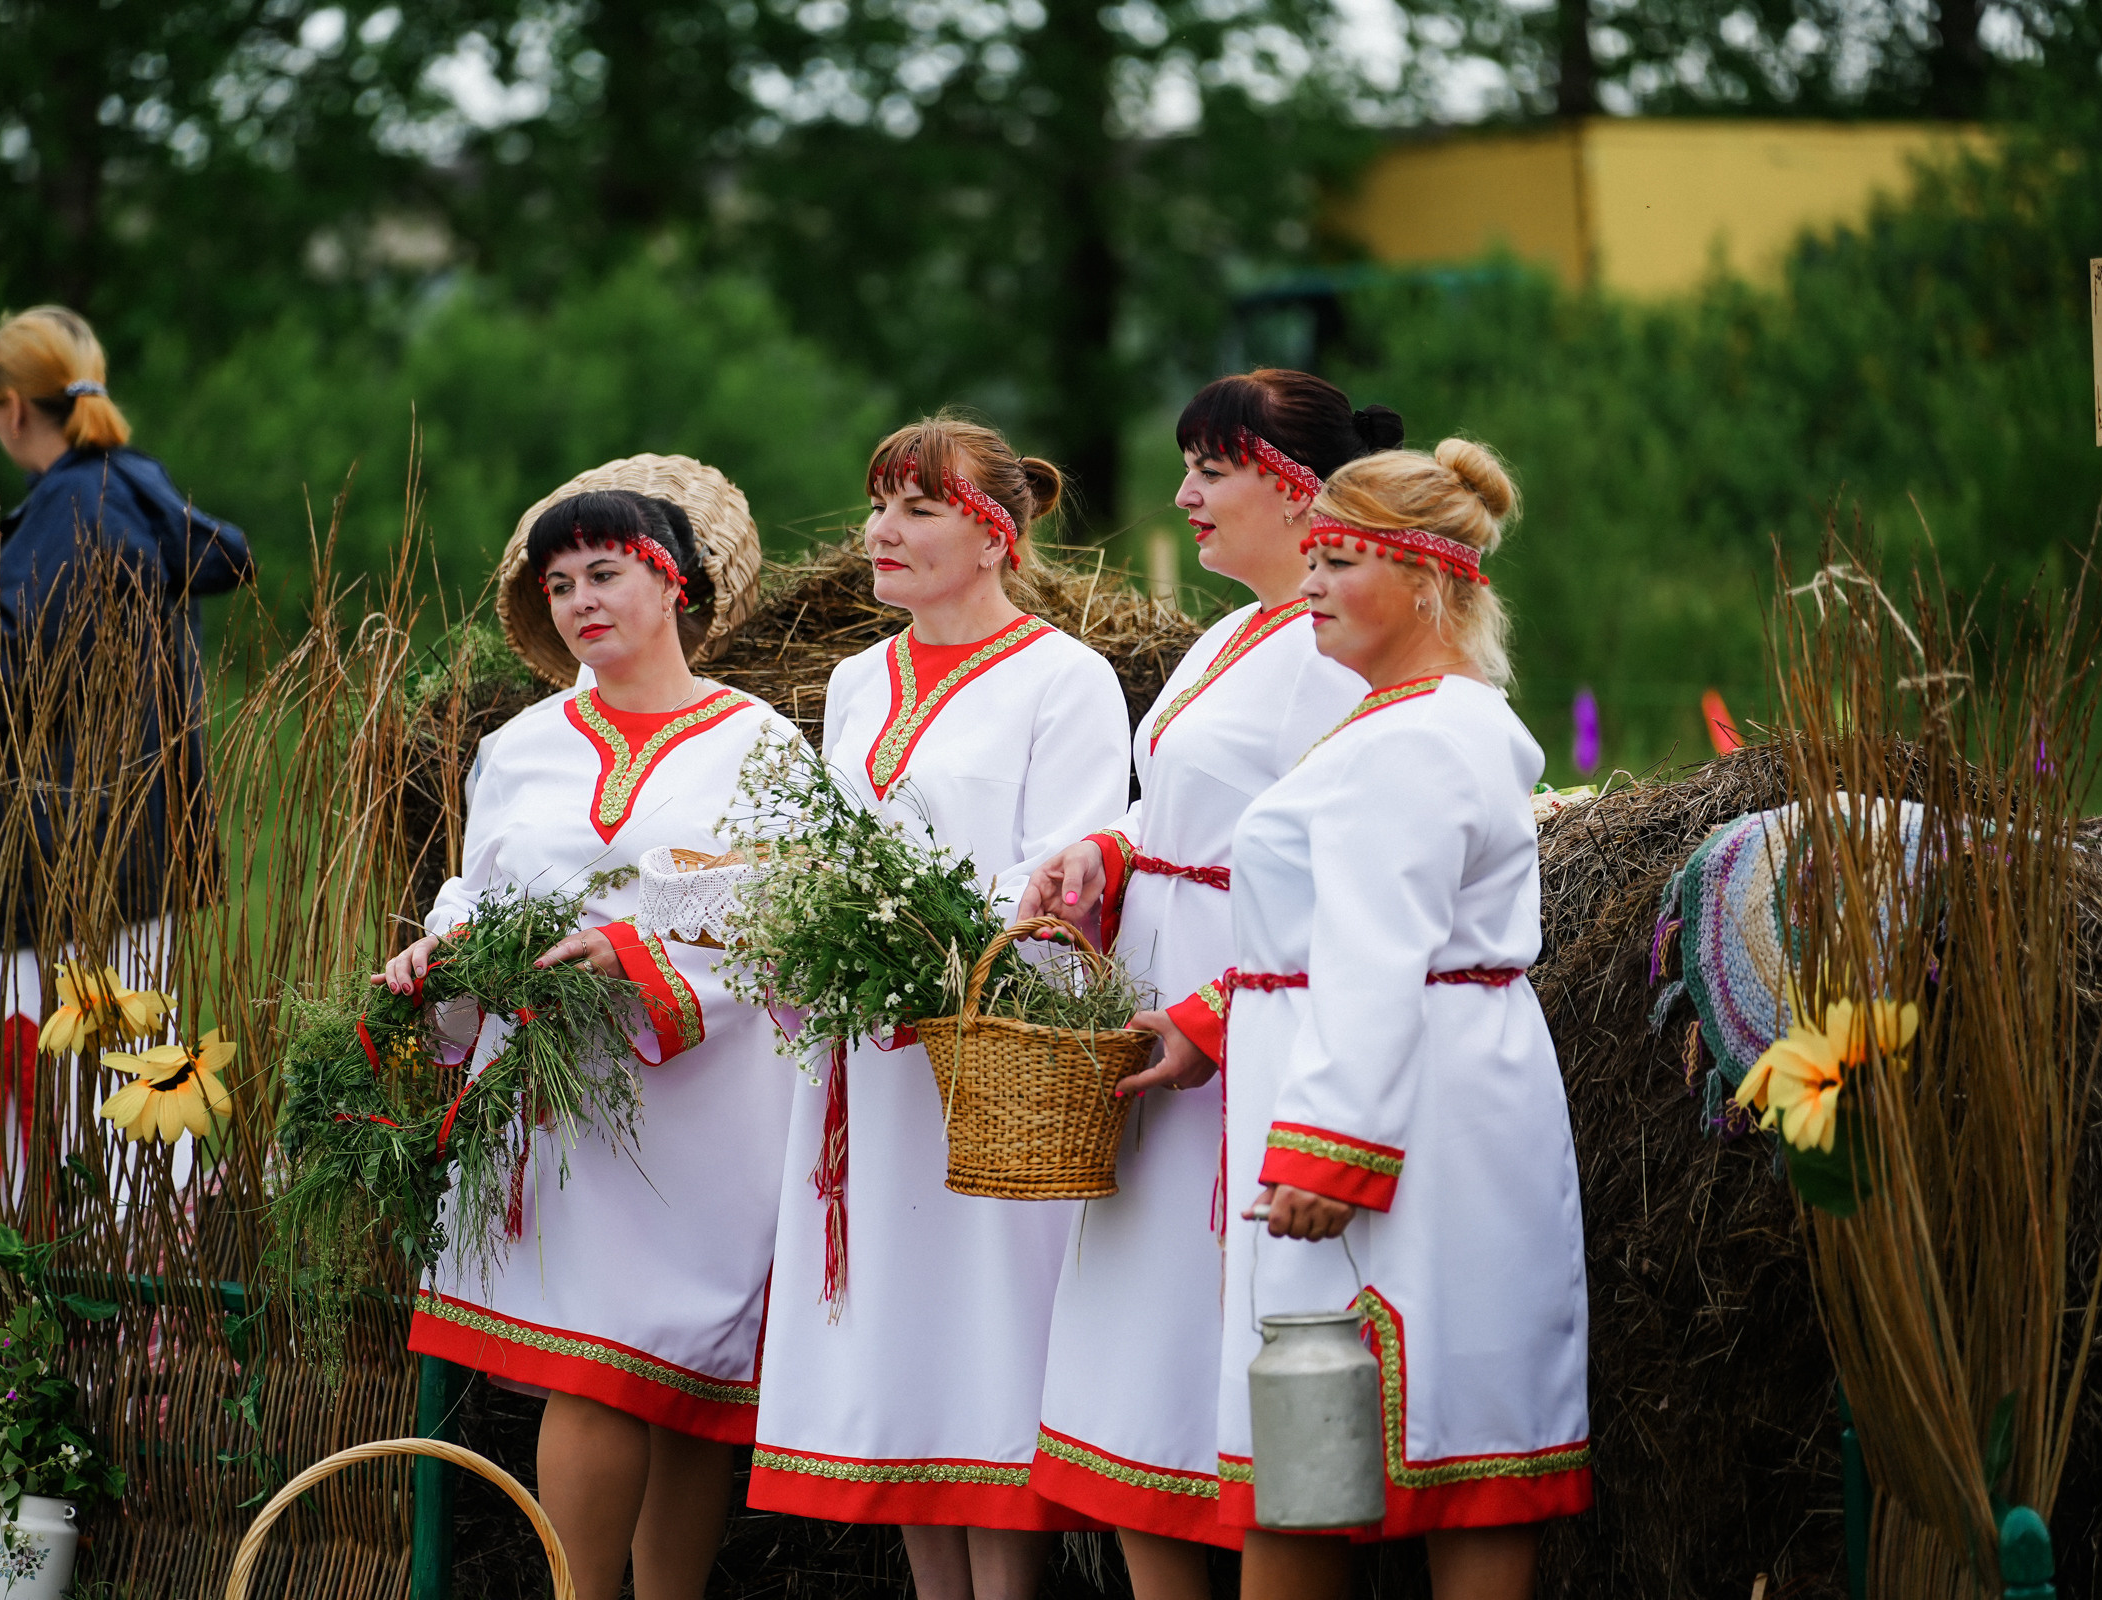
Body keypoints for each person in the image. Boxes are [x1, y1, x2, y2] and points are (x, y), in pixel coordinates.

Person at [380, 468, 797, 1600]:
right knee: (597, 1368)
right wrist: (441, 951)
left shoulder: (760, 743)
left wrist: (640, 953)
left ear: (672, 582)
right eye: (559, 583)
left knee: (689, 1380)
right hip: (567, 1106)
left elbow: (790, 912)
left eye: (604, 572)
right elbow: (477, 887)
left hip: (706, 1097)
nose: (579, 600)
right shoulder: (521, 745)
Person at [1013, 372, 1398, 1593]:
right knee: (1144, 1372)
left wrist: (1216, 1016)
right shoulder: (1230, 634)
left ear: (1296, 488)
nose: (1182, 495)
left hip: (1254, 1031)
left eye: (1209, 469)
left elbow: (1348, 879)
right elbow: (1177, 810)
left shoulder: (1339, 655)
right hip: (1156, 1012)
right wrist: (1106, 851)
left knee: (1246, 1368)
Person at [748, 415, 1132, 1600]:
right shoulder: (859, 678)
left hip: (987, 1059)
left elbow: (1056, 884)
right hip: (865, 1063)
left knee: (986, 1335)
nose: (880, 531)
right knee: (898, 1346)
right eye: (879, 505)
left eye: (917, 508)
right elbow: (821, 843)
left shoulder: (1066, 678)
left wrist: (923, 936)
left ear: (994, 534)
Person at [1223, 440, 1590, 1600]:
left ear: (1428, 580)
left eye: (1339, 560)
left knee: (1333, 1421)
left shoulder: (1415, 740)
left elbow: (1376, 955)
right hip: (1441, 1087)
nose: (1312, 583)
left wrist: (1329, 1149)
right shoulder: (1426, 720)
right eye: (1312, 557)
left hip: (1403, 1109)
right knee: (1443, 1414)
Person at [0, 306, 253, 1203]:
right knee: (146, 1070)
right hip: (146, 840)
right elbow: (78, 635)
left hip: (56, 860)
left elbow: (7, 682)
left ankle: (66, 1301)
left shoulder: (65, 506)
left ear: (13, 408)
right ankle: (155, 1292)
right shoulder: (134, 488)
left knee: (45, 1087)